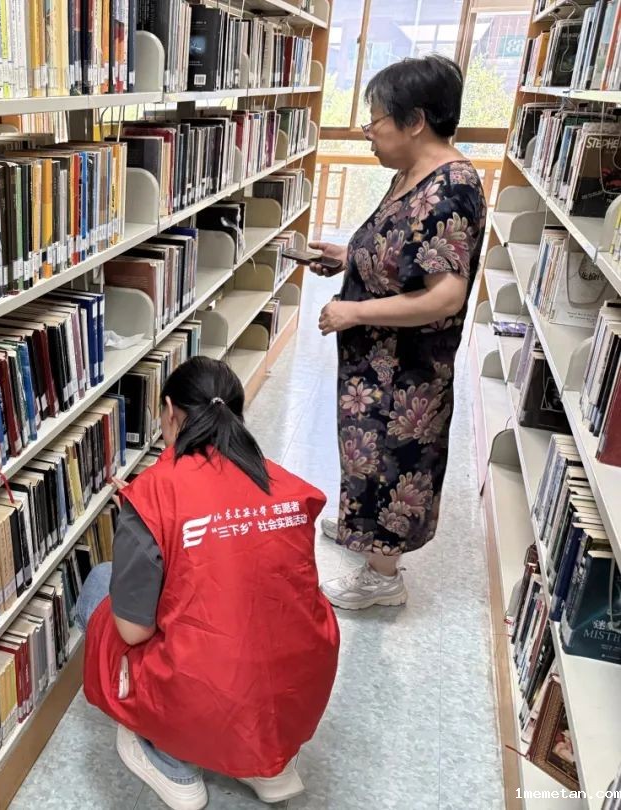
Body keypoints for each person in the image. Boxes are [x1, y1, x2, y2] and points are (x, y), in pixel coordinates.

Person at [77, 356, 340, 810]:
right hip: (297, 688)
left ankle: (169, 759)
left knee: (102, 584)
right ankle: (267, 764)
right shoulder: (288, 485)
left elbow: (133, 632)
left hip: (207, 692)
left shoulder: (156, 492)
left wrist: (138, 528)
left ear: (168, 410)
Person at [303, 55, 487, 610]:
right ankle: (362, 528)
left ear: (415, 121)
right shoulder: (409, 174)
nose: (368, 131)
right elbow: (402, 253)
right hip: (375, 365)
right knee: (366, 454)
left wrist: (355, 313)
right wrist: (350, 258)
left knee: (394, 460)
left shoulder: (452, 188)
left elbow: (445, 295)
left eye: (376, 119)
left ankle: (383, 575)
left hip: (406, 374)